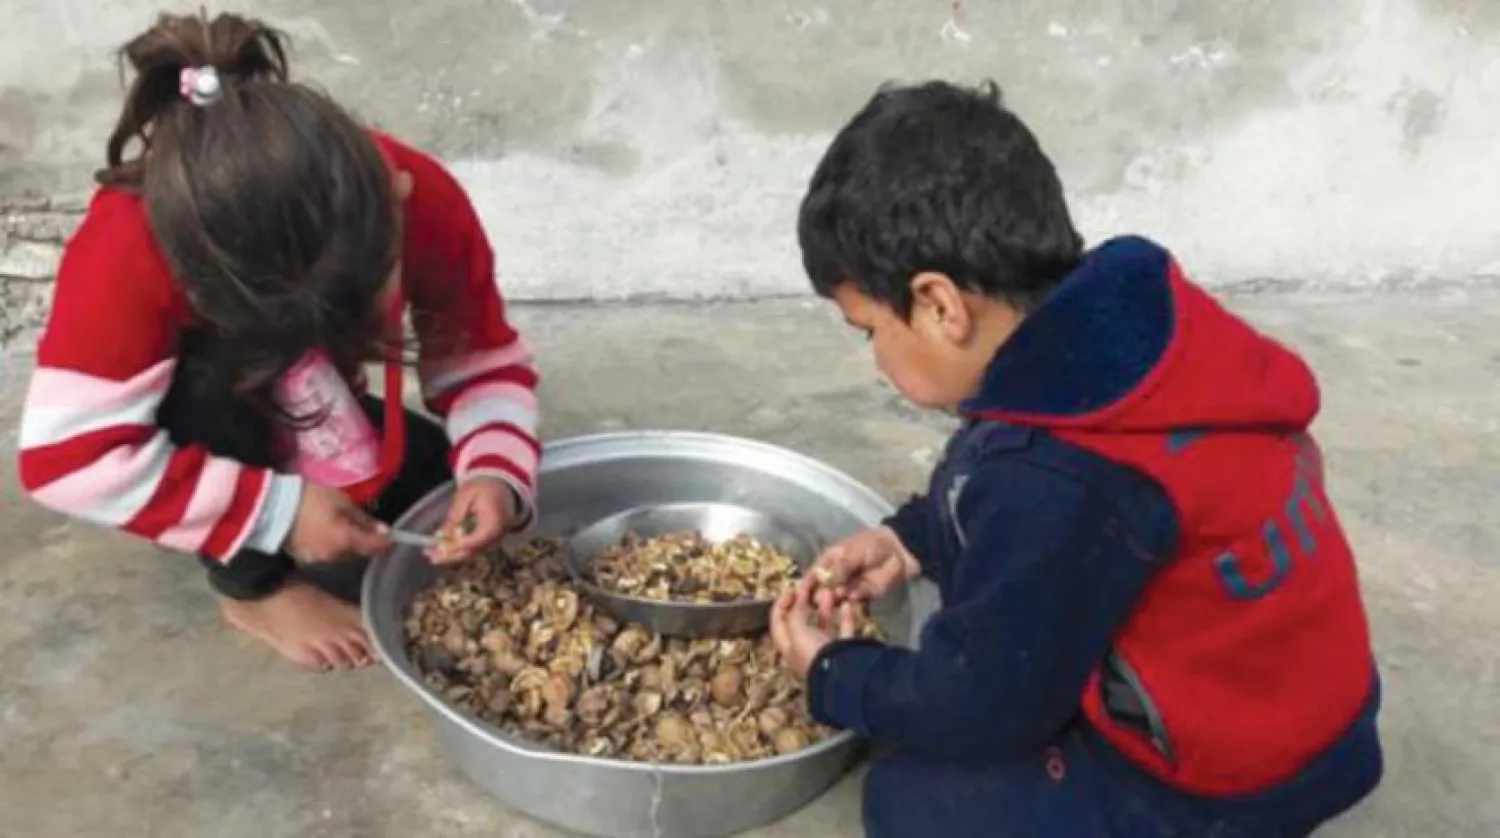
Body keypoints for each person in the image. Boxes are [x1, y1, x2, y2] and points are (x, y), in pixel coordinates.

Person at [769, 80, 1384, 837]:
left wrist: (836, 675)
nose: (874, 359)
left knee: (908, 799)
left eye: (870, 330)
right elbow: (1009, 489)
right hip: (1307, 705)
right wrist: (911, 538)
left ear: (939, 306)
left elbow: (986, 704)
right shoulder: (1121, 334)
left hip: (1224, 782)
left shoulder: (1058, 479)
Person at [16, 12, 540, 672]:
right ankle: (255, 590)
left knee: (447, 497)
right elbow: (64, 460)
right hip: (215, 396)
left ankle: (307, 440)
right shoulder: (129, 243)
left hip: (309, 390)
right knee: (208, 389)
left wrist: (494, 470)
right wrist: (276, 514)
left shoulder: (421, 195)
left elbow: (482, 359)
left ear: (396, 199)